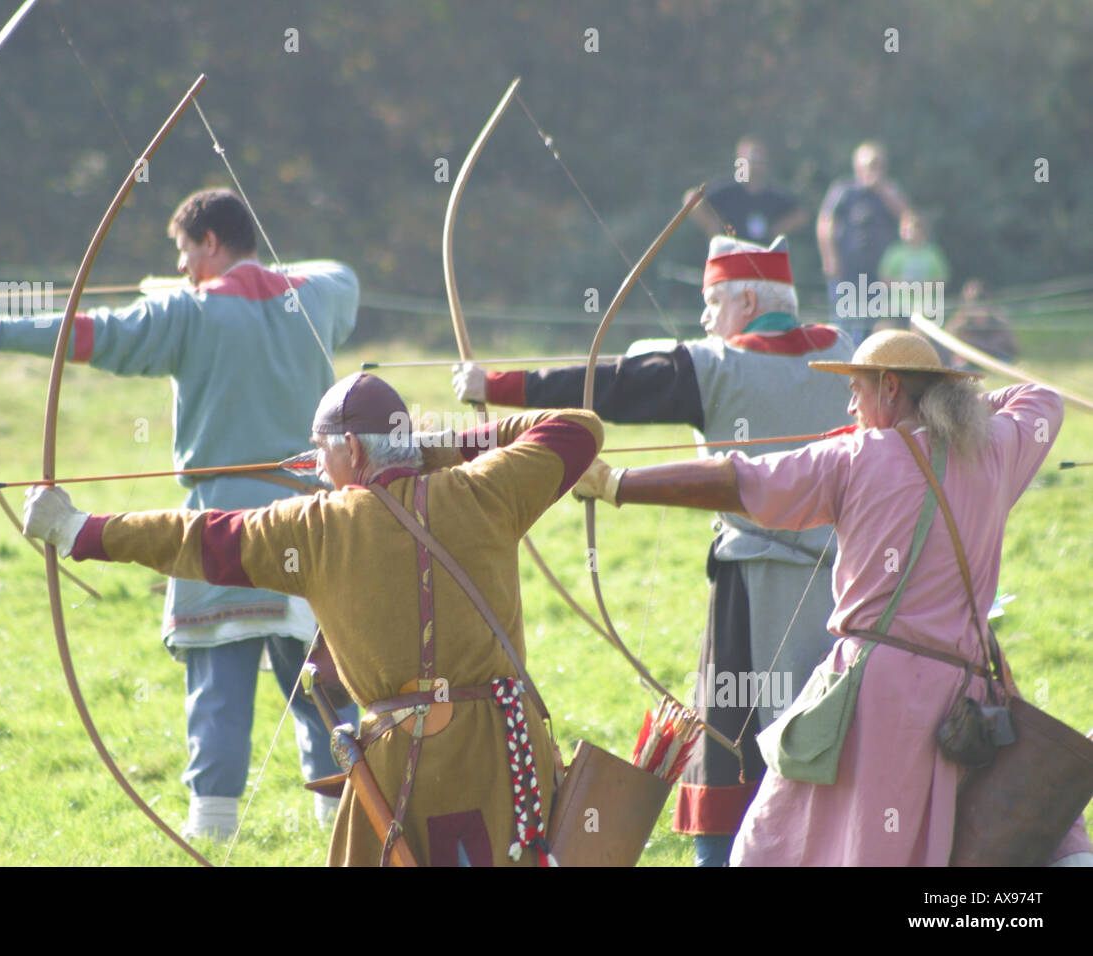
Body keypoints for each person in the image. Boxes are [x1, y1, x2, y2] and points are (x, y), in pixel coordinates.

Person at [23, 372, 606, 866]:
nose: (318, 469)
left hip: (405, 759)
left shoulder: (317, 527)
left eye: (321, 452)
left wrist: (79, 530)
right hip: (502, 753)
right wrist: (434, 445)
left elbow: (200, 538)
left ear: (352, 451)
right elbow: (578, 428)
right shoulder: (485, 490)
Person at [0, 188, 359, 842]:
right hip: (310, 529)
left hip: (219, 536)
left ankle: (213, 840)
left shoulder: (185, 313)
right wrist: (234, 281)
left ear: (210, 242)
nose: (183, 267)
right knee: (323, 693)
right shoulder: (316, 297)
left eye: (186, 252)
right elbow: (340, 275)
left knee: (217, 694)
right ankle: (347, 832)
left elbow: (91, 333)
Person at [573, 330, 1093, 866]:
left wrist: (618, 483)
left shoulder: (855, 457)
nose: (850, 406)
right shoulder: (990, 449)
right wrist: (944, 415)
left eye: (858, 390)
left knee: (790, 845)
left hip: (880, 696)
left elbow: (738, 481)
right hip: (972, 695)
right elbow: (1041, 399)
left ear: (890, 388)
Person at [453, 235, 853, 866]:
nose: (704, 318)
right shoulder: (847, 352)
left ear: (746, 297)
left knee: (730, 745)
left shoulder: (719, 365)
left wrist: (495, 382)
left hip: (750, 590)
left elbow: (614, 385)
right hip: (842, 587)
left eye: (712, 302)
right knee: (828, 733)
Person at [818, 142, 911, 343]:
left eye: (878, 165)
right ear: (857, 166)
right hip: (848, 271)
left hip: (882, 274)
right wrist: (830, 258)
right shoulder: (843, 190)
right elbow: (826, 223)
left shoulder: (890, 191)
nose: (874, 170)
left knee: (879, 326)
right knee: (847, 324)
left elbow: (908, 220)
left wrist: (884, 191)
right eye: (869, 164)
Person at [687, 136, 808, 244]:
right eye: (751, 161)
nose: (755, 166)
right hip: (729, 257)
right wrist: (712, 227)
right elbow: (691, 199)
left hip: (762, 258)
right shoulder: (727, 191)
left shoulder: (773, 195)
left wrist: (778, 229)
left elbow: (801, 213)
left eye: (759, 161)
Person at [945, 278, 1019, 368]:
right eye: (973, 307)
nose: (978, 313)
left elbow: (1013, 350)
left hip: (996, 361)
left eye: (980, 306)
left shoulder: (999, 324)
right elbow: (950, 352)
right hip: (970, 362)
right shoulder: (958, 325)